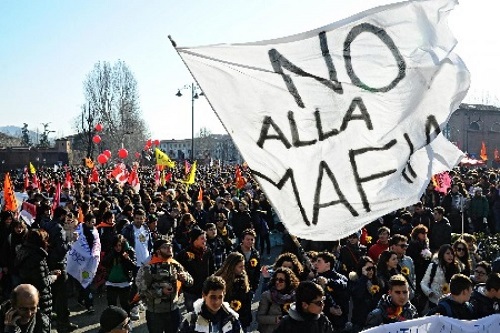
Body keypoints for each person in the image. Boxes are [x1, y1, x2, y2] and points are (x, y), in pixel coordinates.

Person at [136, 238, 193, 333]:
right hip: (155, 313)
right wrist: (160, 291)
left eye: (170, 246)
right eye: (165, 247)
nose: (169, 249)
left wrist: (185, 278)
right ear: (158, 251)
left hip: (173, 310)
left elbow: (191, 282)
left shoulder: (175, 265)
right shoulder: (149, 267)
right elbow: (142, 289)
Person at [14, 229, 55, 332]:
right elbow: (42, 282)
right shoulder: (37, 257)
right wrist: (52, 277)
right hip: (39, 299)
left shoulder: (24, 251)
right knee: (41, 325)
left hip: (28, 295)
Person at [178, 275, 244, 333]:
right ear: (204, 296)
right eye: (213, 297)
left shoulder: (232, 319)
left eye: (220, 297)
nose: (216, 301)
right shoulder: (191, 321)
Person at [175, 227, 215, 312]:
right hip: (191, 291)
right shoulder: (184, 254)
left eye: (205, 238)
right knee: (193, 315)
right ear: (195, 240)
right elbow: (177, 268)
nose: (205, 240)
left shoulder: (208, 251)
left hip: (205, 289)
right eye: (202, 239)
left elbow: (212, 268)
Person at [214, 252, 253, 331]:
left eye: (243, 266)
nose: (243, 269)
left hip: (242, 318)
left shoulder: (243, 277)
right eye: (240, 267)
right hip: (226, 320)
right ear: (232, 267)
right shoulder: (220, 280)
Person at [101, 235, 137, 314]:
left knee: (125, 303)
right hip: (111, 282)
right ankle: (113, 322)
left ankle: (127, 320)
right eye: (116, 246)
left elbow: (133, 267)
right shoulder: (110, 251)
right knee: (111, 304)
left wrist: (128, 259)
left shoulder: (129, 251)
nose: (118, 248)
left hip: (124, 282)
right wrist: (112, 254)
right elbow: (104, 263)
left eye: (119, 245)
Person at [257, 267, 299, 333]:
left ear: (288, 282)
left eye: (281, 280)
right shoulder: (267, 296)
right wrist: (276, 319)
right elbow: (260, 318)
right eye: (276, 279)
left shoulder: (295, 297)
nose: (277, 282)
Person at [348, 256, 382, 333]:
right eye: (368, 269)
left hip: (375, 320)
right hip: (360, 322)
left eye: (372, 268)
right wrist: (364, 277)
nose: (371, 271)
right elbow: (357, 295)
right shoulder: (354, 281)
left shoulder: (376, 281)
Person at [389, 234, 416, 299]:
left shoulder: (409, 260)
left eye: (406, 246)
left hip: (409, 297)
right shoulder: (387, 261)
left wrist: (413, 290)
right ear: (393, 246)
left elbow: (413, 277)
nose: (405, 248)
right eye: (402, 246)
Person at [234, 229, 261, 293]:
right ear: (242, 240)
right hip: (237, 285)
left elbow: (257, 271)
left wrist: (255, 285)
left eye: (252, 239)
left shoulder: (255, 254)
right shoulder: (235, 252)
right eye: (248, 239)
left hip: (251, 286)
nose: (250, 242)